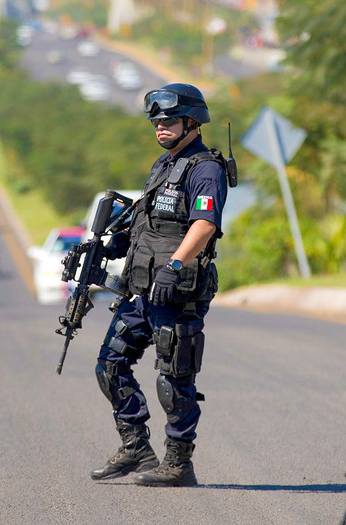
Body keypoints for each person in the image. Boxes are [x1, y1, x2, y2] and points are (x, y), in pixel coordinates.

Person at [90, 83, 231, 487]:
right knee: (109, 365)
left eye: (168, 120)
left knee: (174, 378)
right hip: (142, 290)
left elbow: (204, 224)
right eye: (155, 120)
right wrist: (119, 243)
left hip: (176, 290)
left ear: (192, 122)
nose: (160, 126)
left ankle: (178, 463)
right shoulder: (163, 165)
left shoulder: (205, 168)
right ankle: (135, 445)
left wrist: (174, 265)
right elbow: (149, 219)